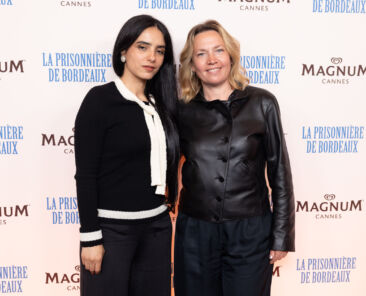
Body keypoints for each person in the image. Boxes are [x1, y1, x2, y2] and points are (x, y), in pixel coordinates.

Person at [174, 20, 295, 296]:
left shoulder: (262, 103)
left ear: (231, 56)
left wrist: (281, 235)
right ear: (192, 65)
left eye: (218, 50)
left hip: (250, 232)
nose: (212, 60)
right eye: (201, 54)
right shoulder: (182, 111)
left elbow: (280, 174)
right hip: (195, 233)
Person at [74, 14, 179, 296]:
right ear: (123, 51)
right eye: (142, 47)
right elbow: (85, 175)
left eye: (159, 51)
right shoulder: (100, 100)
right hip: (111, 232)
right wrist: (90, 237)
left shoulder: (163, 105)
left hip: (157, 228)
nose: (152, 57)